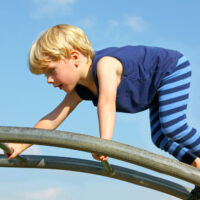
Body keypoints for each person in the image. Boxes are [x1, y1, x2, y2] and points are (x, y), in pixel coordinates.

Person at [4, 24, 200, 168]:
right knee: (160, 138)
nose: (49, 80)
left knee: (173, 127)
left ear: (74, 58)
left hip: (169, 70)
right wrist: (20, 144)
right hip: (153, 88)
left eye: (51, 71)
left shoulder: (105, 65)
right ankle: (197, 168)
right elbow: (52, 120)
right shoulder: (80, 89)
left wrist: (104, 143)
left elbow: (106, 103)